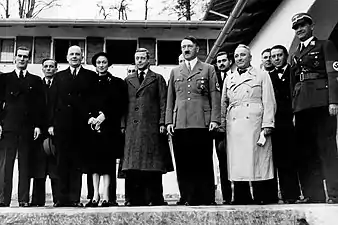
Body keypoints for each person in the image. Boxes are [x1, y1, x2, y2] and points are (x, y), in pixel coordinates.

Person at [166, 36, 220, 206]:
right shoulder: (175, 71)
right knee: (183, 162)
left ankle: (206, 196)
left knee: (203, 160)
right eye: (183, 46)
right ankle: (186, 196)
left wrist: (215, 119)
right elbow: (170, 99)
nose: (186, 49)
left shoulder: (208, 69)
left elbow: (214, 95)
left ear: (197, 48)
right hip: (180, 122)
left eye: (189, 46)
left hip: (202, 122)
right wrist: (169, 121)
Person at [290, 13, 338, 203]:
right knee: (306, 152)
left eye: (302, 25)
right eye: (296, 27)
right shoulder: (295, 54)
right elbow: (293, 85)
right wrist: (294, 110)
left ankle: (334, 193)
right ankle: (313, 194)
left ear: (311, 26)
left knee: (327, 149)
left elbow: (333, 75)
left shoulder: (325, 45)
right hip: (302, 107)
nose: (299, 30)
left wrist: (334, 101)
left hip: (322, 104)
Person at [220, 44, 276, 205]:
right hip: (234, 123)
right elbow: (223, 102)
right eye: (237, 56)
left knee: (257, 160)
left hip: (254, 122)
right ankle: (240, 196)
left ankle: (261, 196)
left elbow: (269, 101)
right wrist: (222, 125)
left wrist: (268, 124)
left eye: (243, 55)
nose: (239, 59)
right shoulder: (229, 78)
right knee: (237, 162)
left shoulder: (261, 75)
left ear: (250, 57)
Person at [122, 48, 173, 206]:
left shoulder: (157, 79)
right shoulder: (128, 80)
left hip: (151, 128)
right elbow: (122, 105)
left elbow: (164, 102)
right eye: (137, 58)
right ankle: (133, 199)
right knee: (133, 165)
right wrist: (123, 125)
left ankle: (154, 198)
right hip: (132, 128)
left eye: (142, 58)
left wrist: (163, 122)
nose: (139, 61)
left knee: (152, 164)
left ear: (148, 60)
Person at [48, 45, 97, 207]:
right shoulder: (59, 76)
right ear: (67, 57)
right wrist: (50, 124)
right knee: (62, 163)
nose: (74, 57)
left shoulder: (89, 76)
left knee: (77, 163)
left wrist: (91, 118)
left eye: (77, 54)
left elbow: (92, 101)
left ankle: (75, 198)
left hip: (81, 127)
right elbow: (52, 102)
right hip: (62, 126)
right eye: (71, 54)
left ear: (82, 57)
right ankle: (61, 199)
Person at [0, 46, 44, 207]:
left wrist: (38, 126)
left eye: (25, 56)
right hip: (8, 127)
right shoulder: (4, 79)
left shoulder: (35, 80)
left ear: (29, 59)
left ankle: (23, 199)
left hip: (28, 128)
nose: (22, 59)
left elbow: (40, 106)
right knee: (6, 165)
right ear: (14, 58)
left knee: (25, 164)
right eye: (19, 56)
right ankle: (3, 199)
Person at [85, 52, 127, 207]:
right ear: (95, 64)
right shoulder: (88, 82)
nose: (101, 65)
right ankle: (94, 195)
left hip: (109, 128)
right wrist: (90, 117)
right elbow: (83, 102)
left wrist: (105, 116)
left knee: (107, 162)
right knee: (94, 163)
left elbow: (120, 103)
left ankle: (106, 196)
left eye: (104, 62)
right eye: (98, 62)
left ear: (109, 64)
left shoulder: (117, 83)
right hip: (92, 127)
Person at [269, 45, 301, 204]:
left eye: (279, 55)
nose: (276, 58)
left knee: (297, 157)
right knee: (281, 159)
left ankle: (299, 193)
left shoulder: (294, 72)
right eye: (273, 56)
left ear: (285, 56)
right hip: (278, 122)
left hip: (294, 117)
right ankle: (288, 194)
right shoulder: (268, 76)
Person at [30, 59, 59, 207]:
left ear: (56, 68)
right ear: (42, 68)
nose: (49, 69)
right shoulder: (37, 85)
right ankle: (37, 200)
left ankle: (58, 199)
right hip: (39, 132)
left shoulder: (59, 85)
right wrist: (38, 125)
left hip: (55, 132)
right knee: (39, 168)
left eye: (51, 66)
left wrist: (54, 125)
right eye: (46, 66)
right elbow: (34, 108)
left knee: (55, 168)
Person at [214, 51, 233, 204]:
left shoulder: (235, 76)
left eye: (224, 60)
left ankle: (242, 194)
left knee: (239, 159)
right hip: (219, 126)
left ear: (230, 61)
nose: (221, 63)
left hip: (236, 124)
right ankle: (227, 196)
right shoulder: (214, 78)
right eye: (219, 61)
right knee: (222, 160)